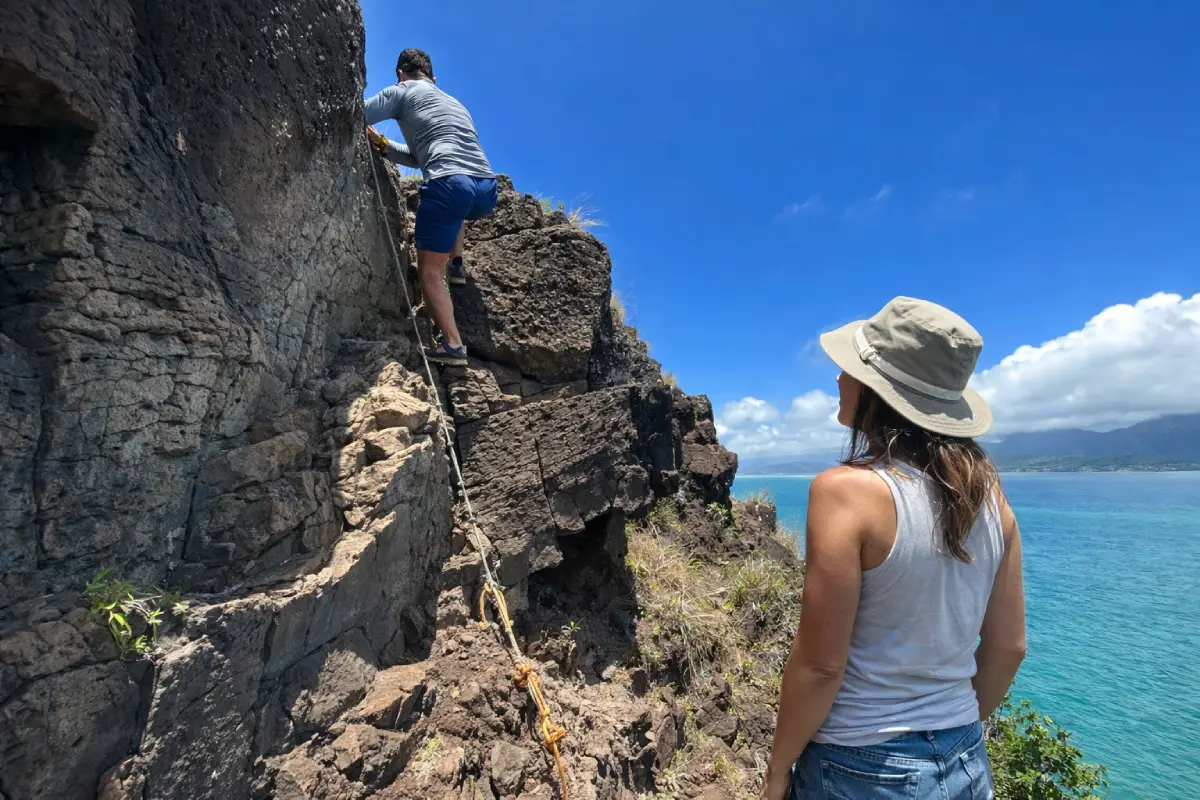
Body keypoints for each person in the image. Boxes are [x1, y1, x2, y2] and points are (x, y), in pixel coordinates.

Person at [761, 297, 1026, 800]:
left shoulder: (845, 492)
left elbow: (821, 666)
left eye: (849, 368)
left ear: (878, 392)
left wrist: (778, 772)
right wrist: (947, 732)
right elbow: (1009, 648)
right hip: (967, 759)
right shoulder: (993, 504)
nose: (838, 378)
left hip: (860, 767)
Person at [363, 48, 497, 367]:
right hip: (486, 189)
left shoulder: (402, 90)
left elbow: (358, 113)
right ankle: (458, 264)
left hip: (449, 185)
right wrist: (384, 146)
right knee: (458, 208)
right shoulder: (454, 103)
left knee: (428, 271)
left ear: (400, 74)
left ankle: (452, 346)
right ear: (433, 78)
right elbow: (419, 156)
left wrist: (375, 135)